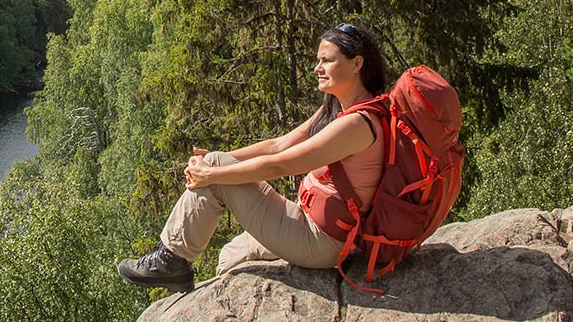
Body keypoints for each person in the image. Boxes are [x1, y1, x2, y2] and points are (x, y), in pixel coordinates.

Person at [117, 21, 391, 292]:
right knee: (230, 255)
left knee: (215, 172)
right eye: (318, 60)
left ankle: (171, 260)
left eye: (327, 61)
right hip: (309, 223)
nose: (317, 68)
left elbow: (280, 164)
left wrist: (212, 172)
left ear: (356, 64)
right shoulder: (337, 110)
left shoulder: (356, 124)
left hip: (321, 242)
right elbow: (278, 145)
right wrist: (218, 157)